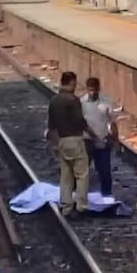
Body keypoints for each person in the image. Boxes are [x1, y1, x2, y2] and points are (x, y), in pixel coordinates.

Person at [47, 71, 95, 215]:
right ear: (72, 82)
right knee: (81, 174)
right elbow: (80, 121)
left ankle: (66, 206)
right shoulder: (73, 100)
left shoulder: (54, 100)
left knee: (66, 175)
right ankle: (81, 205)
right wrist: (92, 133)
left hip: (61, 140)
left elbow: (51, 126)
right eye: (74, 84)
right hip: (75, 139)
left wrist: (54, 144)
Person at [81, 77, 118, 198]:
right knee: (83, 171)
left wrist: (115, 140)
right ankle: (81, 196)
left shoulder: (106, 103)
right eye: (90, 90)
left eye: (94, 90)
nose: (92, 92)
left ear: (98, 89)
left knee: (105, 171)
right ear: (87, 89)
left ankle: (106, 195)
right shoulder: (82, 103)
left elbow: (112, 122)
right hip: (87, 142)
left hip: (103, 142)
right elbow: (80, 123)